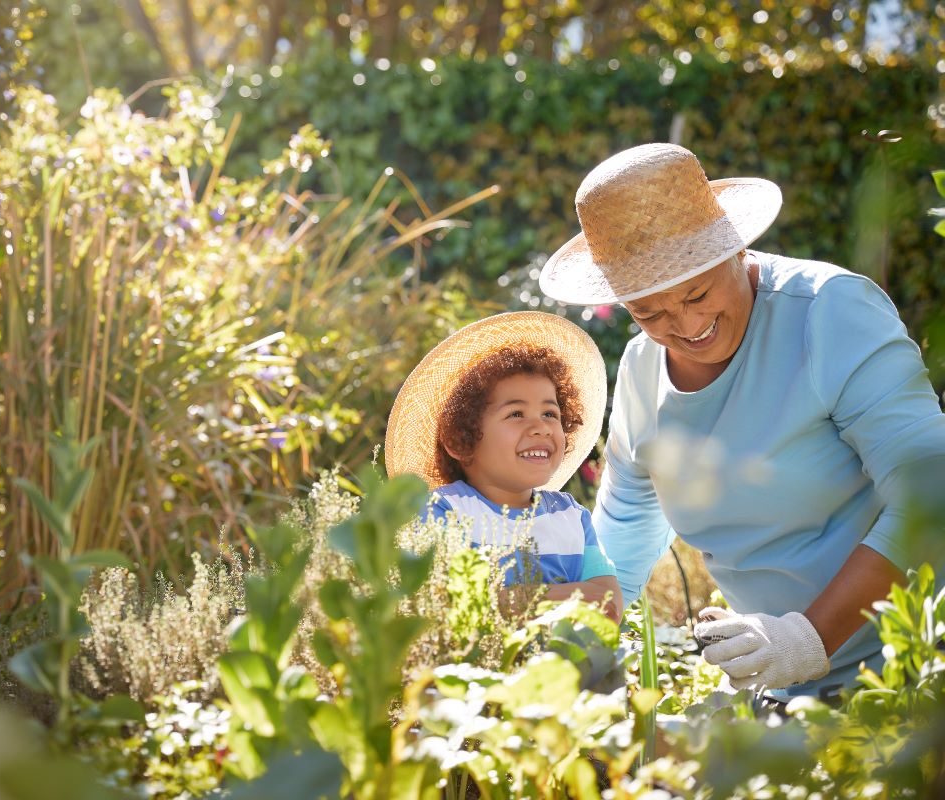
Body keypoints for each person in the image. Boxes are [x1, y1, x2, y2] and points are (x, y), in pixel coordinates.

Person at [538, 142, 945, 700]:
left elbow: (930, 494)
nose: (686, 325)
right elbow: (628, 523)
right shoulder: (640, 369)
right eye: (649, 312)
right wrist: (575, 641)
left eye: (698, 292)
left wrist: (805, 639)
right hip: (784, 686)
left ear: (734, 246)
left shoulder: (828, 313)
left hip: (916, 666)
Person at [385, 312, 623, 622]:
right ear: (461, 440)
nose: (541, 427)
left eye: (551, 414)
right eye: (516, 415)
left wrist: (514, 599)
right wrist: (572, 596)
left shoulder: (571, 516)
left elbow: (609, 604)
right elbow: (451, 606)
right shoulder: (442, 512)